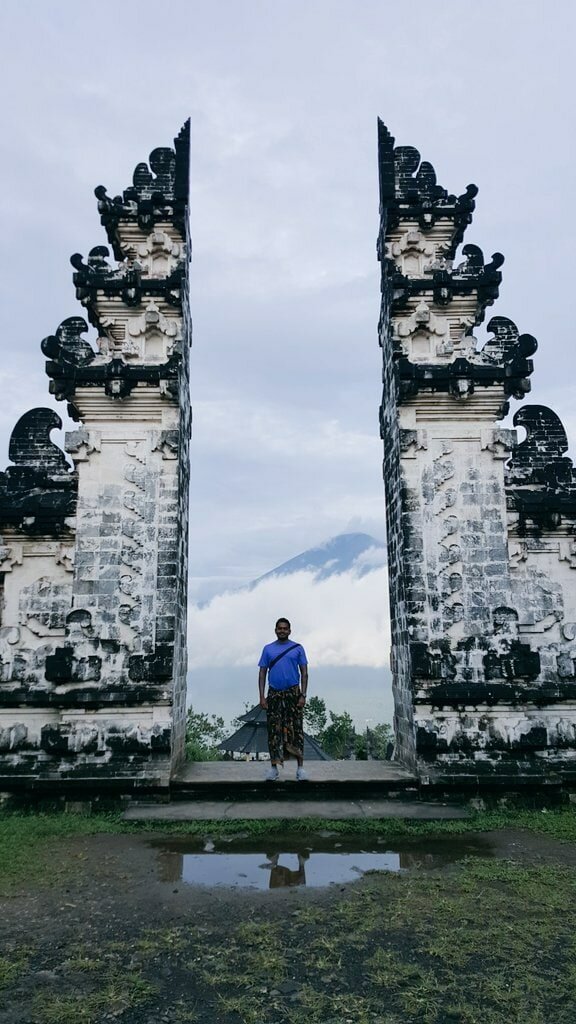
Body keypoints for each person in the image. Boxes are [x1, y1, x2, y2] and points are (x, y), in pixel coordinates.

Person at [258, 617, 309, 781]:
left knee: (297, 730)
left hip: (293, 695)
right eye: (279, 628)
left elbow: (304, 673)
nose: (282, 631)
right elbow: (262, 674)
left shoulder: (298, 648)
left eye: (285, 628)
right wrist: (262, 696)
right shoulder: (268, 649)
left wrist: (303, 695)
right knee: (274, 731)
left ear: (289, 631)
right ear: (275, 630)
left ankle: (300, 768)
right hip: (274, 694)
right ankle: (274, 768)